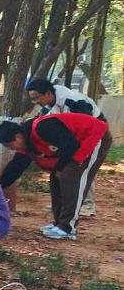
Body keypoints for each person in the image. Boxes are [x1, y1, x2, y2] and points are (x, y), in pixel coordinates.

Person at [0, 111, 111, 240]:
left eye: (9, 145)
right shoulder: (28, 142)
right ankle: (59, 224)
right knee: (56, 178)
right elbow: (15, 168)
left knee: (70, 177)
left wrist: (61, 168)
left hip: (95, 136)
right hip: (74, 146)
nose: (12, 149)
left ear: (17, 137)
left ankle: (68, 228)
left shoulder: (43, 128)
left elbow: (70, 145)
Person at [24, 77, 108, 217]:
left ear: (48, 93)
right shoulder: (47, 107)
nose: (35, 102)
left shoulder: (75, 101)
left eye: (36, 98)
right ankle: (67, 204)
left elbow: (88, 125)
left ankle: (86, 204)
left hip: (93, 135)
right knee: (65, 170)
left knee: (83, 168)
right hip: (72, 139)